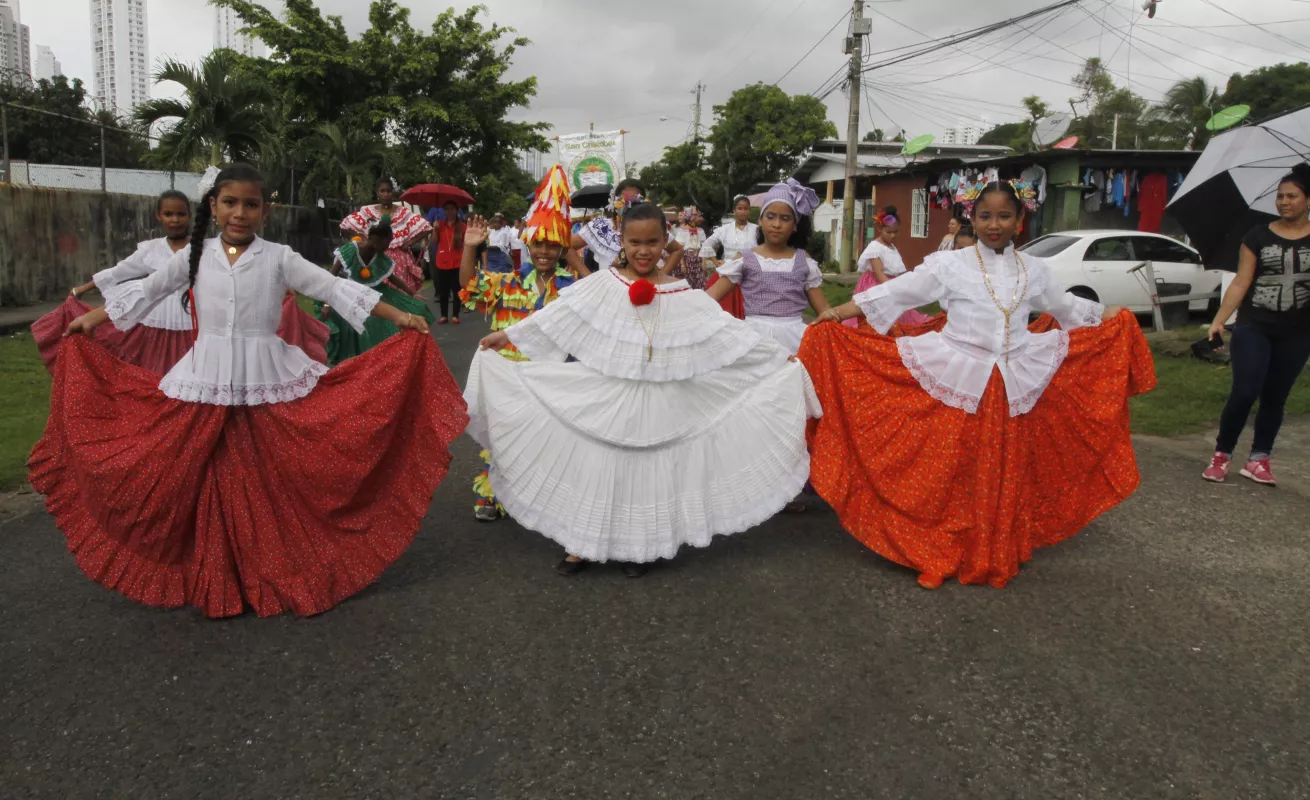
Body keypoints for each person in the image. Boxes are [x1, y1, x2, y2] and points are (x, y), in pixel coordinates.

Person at [29, 163, 467, 618]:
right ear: (214, 207)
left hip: (267, 379)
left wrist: (401, 318)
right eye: (231, 203)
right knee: (203, 477)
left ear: (266, 210)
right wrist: (91, 319)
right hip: (205, 379)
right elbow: (148, 289)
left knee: (269, 476)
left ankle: (273, 563)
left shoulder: (279, 257)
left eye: (251, 204)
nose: (240, 213)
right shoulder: (195, 256)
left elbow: (334, 288)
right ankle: (216, 571)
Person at [801, 181, 1155, 590]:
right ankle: (937, 551)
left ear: (1020, 221)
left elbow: (1066, 307)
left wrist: (1109, 314)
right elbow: (899, 291)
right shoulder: (951, 264)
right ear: (973, 217)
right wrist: (839, 311)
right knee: (949, 469)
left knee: (1002, 470)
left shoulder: (1035, 270)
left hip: (1012, 382)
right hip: (958, 374)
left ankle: (992, 548)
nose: (994, 224)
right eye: (985, 216)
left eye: (1004, 216)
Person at [464, 200, 821, 577]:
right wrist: (508, 335)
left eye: (652, 242)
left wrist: (778, 358)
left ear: (666, 240)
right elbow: (556, 317)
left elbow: (729, 333)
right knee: (596, 467)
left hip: (661, 399)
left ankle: (639, 548)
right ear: (622, 240)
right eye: (634, 242)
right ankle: (582, 544)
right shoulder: (604, 284)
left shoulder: (684, 294)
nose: (643, 250)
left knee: (645, 474)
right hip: (607, 395)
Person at [33, 187, 328, 374]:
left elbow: (243, 271)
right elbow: (122, 274)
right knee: (155, 378)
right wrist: (82, 290)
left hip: (195, 328)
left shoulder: (202, 250)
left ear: (191, 216)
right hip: (156, 326)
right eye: (169, 214)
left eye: (181, 214)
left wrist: (281, 285)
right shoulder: (149, 251)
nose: (175, 220)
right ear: (159, 216)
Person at [459, 166, 580, 522]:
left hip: (549, 377)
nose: (544, 251)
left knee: (545, 439)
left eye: (552, 244)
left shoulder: (572, 287)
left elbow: (601, 300)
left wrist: (575, 260)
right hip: (506, 376)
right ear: (527, 244)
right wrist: (469, 249)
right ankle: (493, 493)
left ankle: (536, 494)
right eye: (538, 243)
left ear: (561, 248)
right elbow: (469, 289)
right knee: (501, 438)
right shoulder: (506, 282)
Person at [1201, 163, 1310, 486]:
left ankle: (1259, 459)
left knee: (1276, 396)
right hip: (1255, 326)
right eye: (1280, 196)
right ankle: (1222, 455)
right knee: (1246, 390)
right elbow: (1240, 283)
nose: (1284, 202)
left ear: (1308, 200)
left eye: (1292, 196)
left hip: (1299, 332)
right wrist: (1219, 321)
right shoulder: (1257, 236)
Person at [706, 179, 831, 356]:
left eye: (785, 218)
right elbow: (710, 298)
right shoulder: (746, 259)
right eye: (770, 216)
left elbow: (824, 310)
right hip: (754, 341)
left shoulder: (803, 260)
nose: (777, 224)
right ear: (760, 220)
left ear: (795, 225)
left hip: (795, 342)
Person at [319, 215, 436, 364]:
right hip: (348, 295)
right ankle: (356, 364)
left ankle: (379, 361)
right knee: (352, 333)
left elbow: (392, 278)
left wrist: (412, 293)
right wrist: (327, 304)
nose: (389, 246)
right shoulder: (349, 250)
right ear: (378, 240)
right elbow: (331, 277)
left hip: (372, 295)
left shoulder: (380, 257)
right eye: (388, 242)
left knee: (405, 314)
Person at [847, 207, 935, 329]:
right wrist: (894, 289)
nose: (892, 235)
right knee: (877, 315)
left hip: (890, 282)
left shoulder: (891, 247)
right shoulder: (875, 248)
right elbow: (879, 274)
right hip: (876, 285)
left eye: (896, 232)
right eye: (888, 232)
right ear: (879, 229)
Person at [340, 178, 431, 295]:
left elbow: (427, 228)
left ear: (393, 192)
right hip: (375, 258)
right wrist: (364, 238)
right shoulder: (368, 211)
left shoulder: (403, 213)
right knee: (377, 293)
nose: (385, 194)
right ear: (377, 193)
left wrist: (410, 242)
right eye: (382, 191)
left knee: (400, 294)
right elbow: (346, 226)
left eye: (388, 191)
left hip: (400, 261)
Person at [699, 194, 756, 319]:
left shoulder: (756, 230)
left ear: (749, 211)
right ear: (734, 210)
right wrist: (716, 262)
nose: (743, 212)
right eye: (740, 208)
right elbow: (707, 244)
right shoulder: (725, 229)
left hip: (749, 276)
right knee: (724, 313)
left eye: (746, 209)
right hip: (727, 274)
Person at [430, 200, 466, 324]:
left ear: (456, 211)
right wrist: (434, 229)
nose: (450, 211)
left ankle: (455, 315)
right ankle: (444, 315)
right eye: (447, 209)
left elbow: (466, 243)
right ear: (444, 211)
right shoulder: (439, 225)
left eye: (452, 209)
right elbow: (434, 241)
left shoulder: (462, 226)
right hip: (442, 261)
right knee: (443, 291)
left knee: (457, 290)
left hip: (457, 262)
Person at [666, 206, 708, 289]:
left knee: (700, 285)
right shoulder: (682, 231)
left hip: (697, 260)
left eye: (699, 215)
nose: (700, 218)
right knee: (687, 285)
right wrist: (682, 265)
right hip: (686, 261)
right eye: (697, 215)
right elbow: (679, 249)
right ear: (691, 217)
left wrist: (704, 262)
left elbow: (703, 248)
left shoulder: (701, 231)